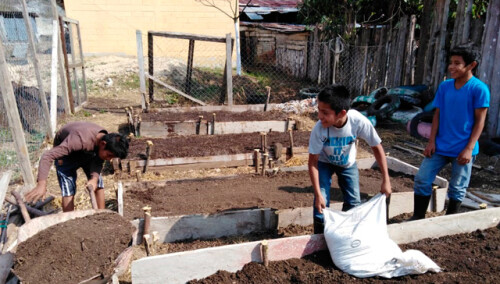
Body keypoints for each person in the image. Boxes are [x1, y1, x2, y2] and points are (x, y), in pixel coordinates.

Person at [411, 46, 490, 220]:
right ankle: (417, 217)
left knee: (457, 187)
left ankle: (449, 221)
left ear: (471, 65)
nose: (451, 67)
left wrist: (469, 149)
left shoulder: (479, 89)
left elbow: (480, 121)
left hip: (463, 148)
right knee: (422, 179)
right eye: (451, 62)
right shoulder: (445, 86)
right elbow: (437, 114)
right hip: (440, 145)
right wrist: (431, 141)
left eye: (457, 63)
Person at [308, 84, 392, 234]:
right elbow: (313, 162)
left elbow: (377, 147)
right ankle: (319, 238)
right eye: (318, 110)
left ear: (341, 113)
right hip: (324, 163)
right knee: (321, 204)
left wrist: (386, 180)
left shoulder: (358, 121)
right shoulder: (319, 128)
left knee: (353, 202)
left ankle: (345, 234)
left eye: (325, 112)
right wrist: (318, 194)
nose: (319, 116)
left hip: (347, 164)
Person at [25, 121, 129, 212]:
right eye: (109, 155)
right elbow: (47, 156)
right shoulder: (78, 140)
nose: (109, 159)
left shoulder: (104, 139)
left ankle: (101, 215)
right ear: (102, 144)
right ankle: (70, 222)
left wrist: (94, 179)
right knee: (68, 189)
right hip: (66, 156)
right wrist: (41, 184)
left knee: (98, 184)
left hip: (87, 152)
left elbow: (98, 160)